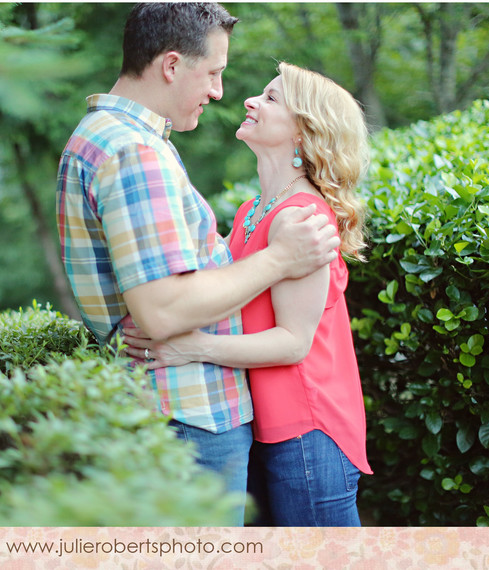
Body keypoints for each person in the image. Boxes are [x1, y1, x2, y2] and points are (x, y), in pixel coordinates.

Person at [56, 4, 339, 526]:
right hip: (189, 414)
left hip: (178, 407)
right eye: (214, 73)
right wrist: (280, 258)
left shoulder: (102, 136)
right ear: (170, 65)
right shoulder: (134, 151)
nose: (220, 92)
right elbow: (163, 311)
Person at [123, 62, 373, 526]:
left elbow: (293, 342)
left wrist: (194, 347)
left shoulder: (303, 219)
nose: (250, 101)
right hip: (264, 425)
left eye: (272, 98)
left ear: (304, 132)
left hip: (307, 430)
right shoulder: (251, 212)